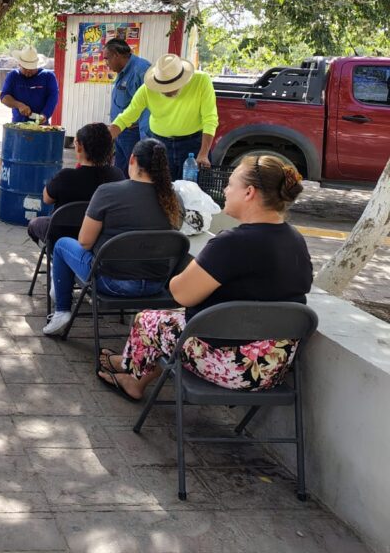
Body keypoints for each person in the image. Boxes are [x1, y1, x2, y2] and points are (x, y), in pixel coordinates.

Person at [97, 154, 312, 400]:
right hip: (273, 367)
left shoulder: (232, 243)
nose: (226, 190)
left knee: (147, 320)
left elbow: (181, 293)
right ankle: (129, 362)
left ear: (249, 192)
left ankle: (133, 377)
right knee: (175, 321)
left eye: (231, 184)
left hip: (232, 365)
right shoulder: (296, 240)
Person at [43, 138, 184, 336]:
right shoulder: (174, 199)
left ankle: (62, 310)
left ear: (132, 159)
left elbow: (84, 241)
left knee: (61, 245)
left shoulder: (109, 192)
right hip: (157, 283)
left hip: (112, 282)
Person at [26, 123, 124, 288]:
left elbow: (46, 198)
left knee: (34, 225)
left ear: (79, 147)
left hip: (63, 235)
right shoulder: (117, 175)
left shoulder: (65, 176)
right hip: (101, 240)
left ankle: (59, 263)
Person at [109, 53, 218, 182]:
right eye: (163, 87)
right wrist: (104, 140)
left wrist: (203, 153)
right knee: (161, 190)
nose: (168, 91)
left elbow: (210, 118)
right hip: (160, 144)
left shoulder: (201, 81)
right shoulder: (147, 89)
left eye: (172, 86)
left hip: (193, 144)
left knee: (194, 190)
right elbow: (125, 118)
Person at [103, 39, 151, 177]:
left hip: (133, 133)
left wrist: (144, 136)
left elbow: (148, 105)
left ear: (117, 55)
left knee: (134, 172)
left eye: (107, 59)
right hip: (119, 130)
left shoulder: (141, 70)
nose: (106, 64)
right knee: (119, 171)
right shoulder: (122, 71)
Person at [0, 45, 59, 124]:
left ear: (36, 65)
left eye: (31, 69)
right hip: (18, 125)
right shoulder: (13, 76)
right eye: (25, 69)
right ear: (19, 64)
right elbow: (4, 97)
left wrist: (45, 114)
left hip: (41, 126)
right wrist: (19, 105)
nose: (28, 72)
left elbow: (53, 98)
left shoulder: (48, 76)